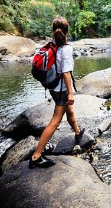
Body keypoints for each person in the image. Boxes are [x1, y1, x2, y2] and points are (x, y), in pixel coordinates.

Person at [29, 16, 84, 168]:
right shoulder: (66, 49)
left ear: (53, 31)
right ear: (67, 31)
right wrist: (71, 93)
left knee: (69, 109)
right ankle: (36, 156)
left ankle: (78, 132)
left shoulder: (50, 46)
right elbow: (66, 73)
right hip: (62, 89)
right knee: (55, 120)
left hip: (53, 87)